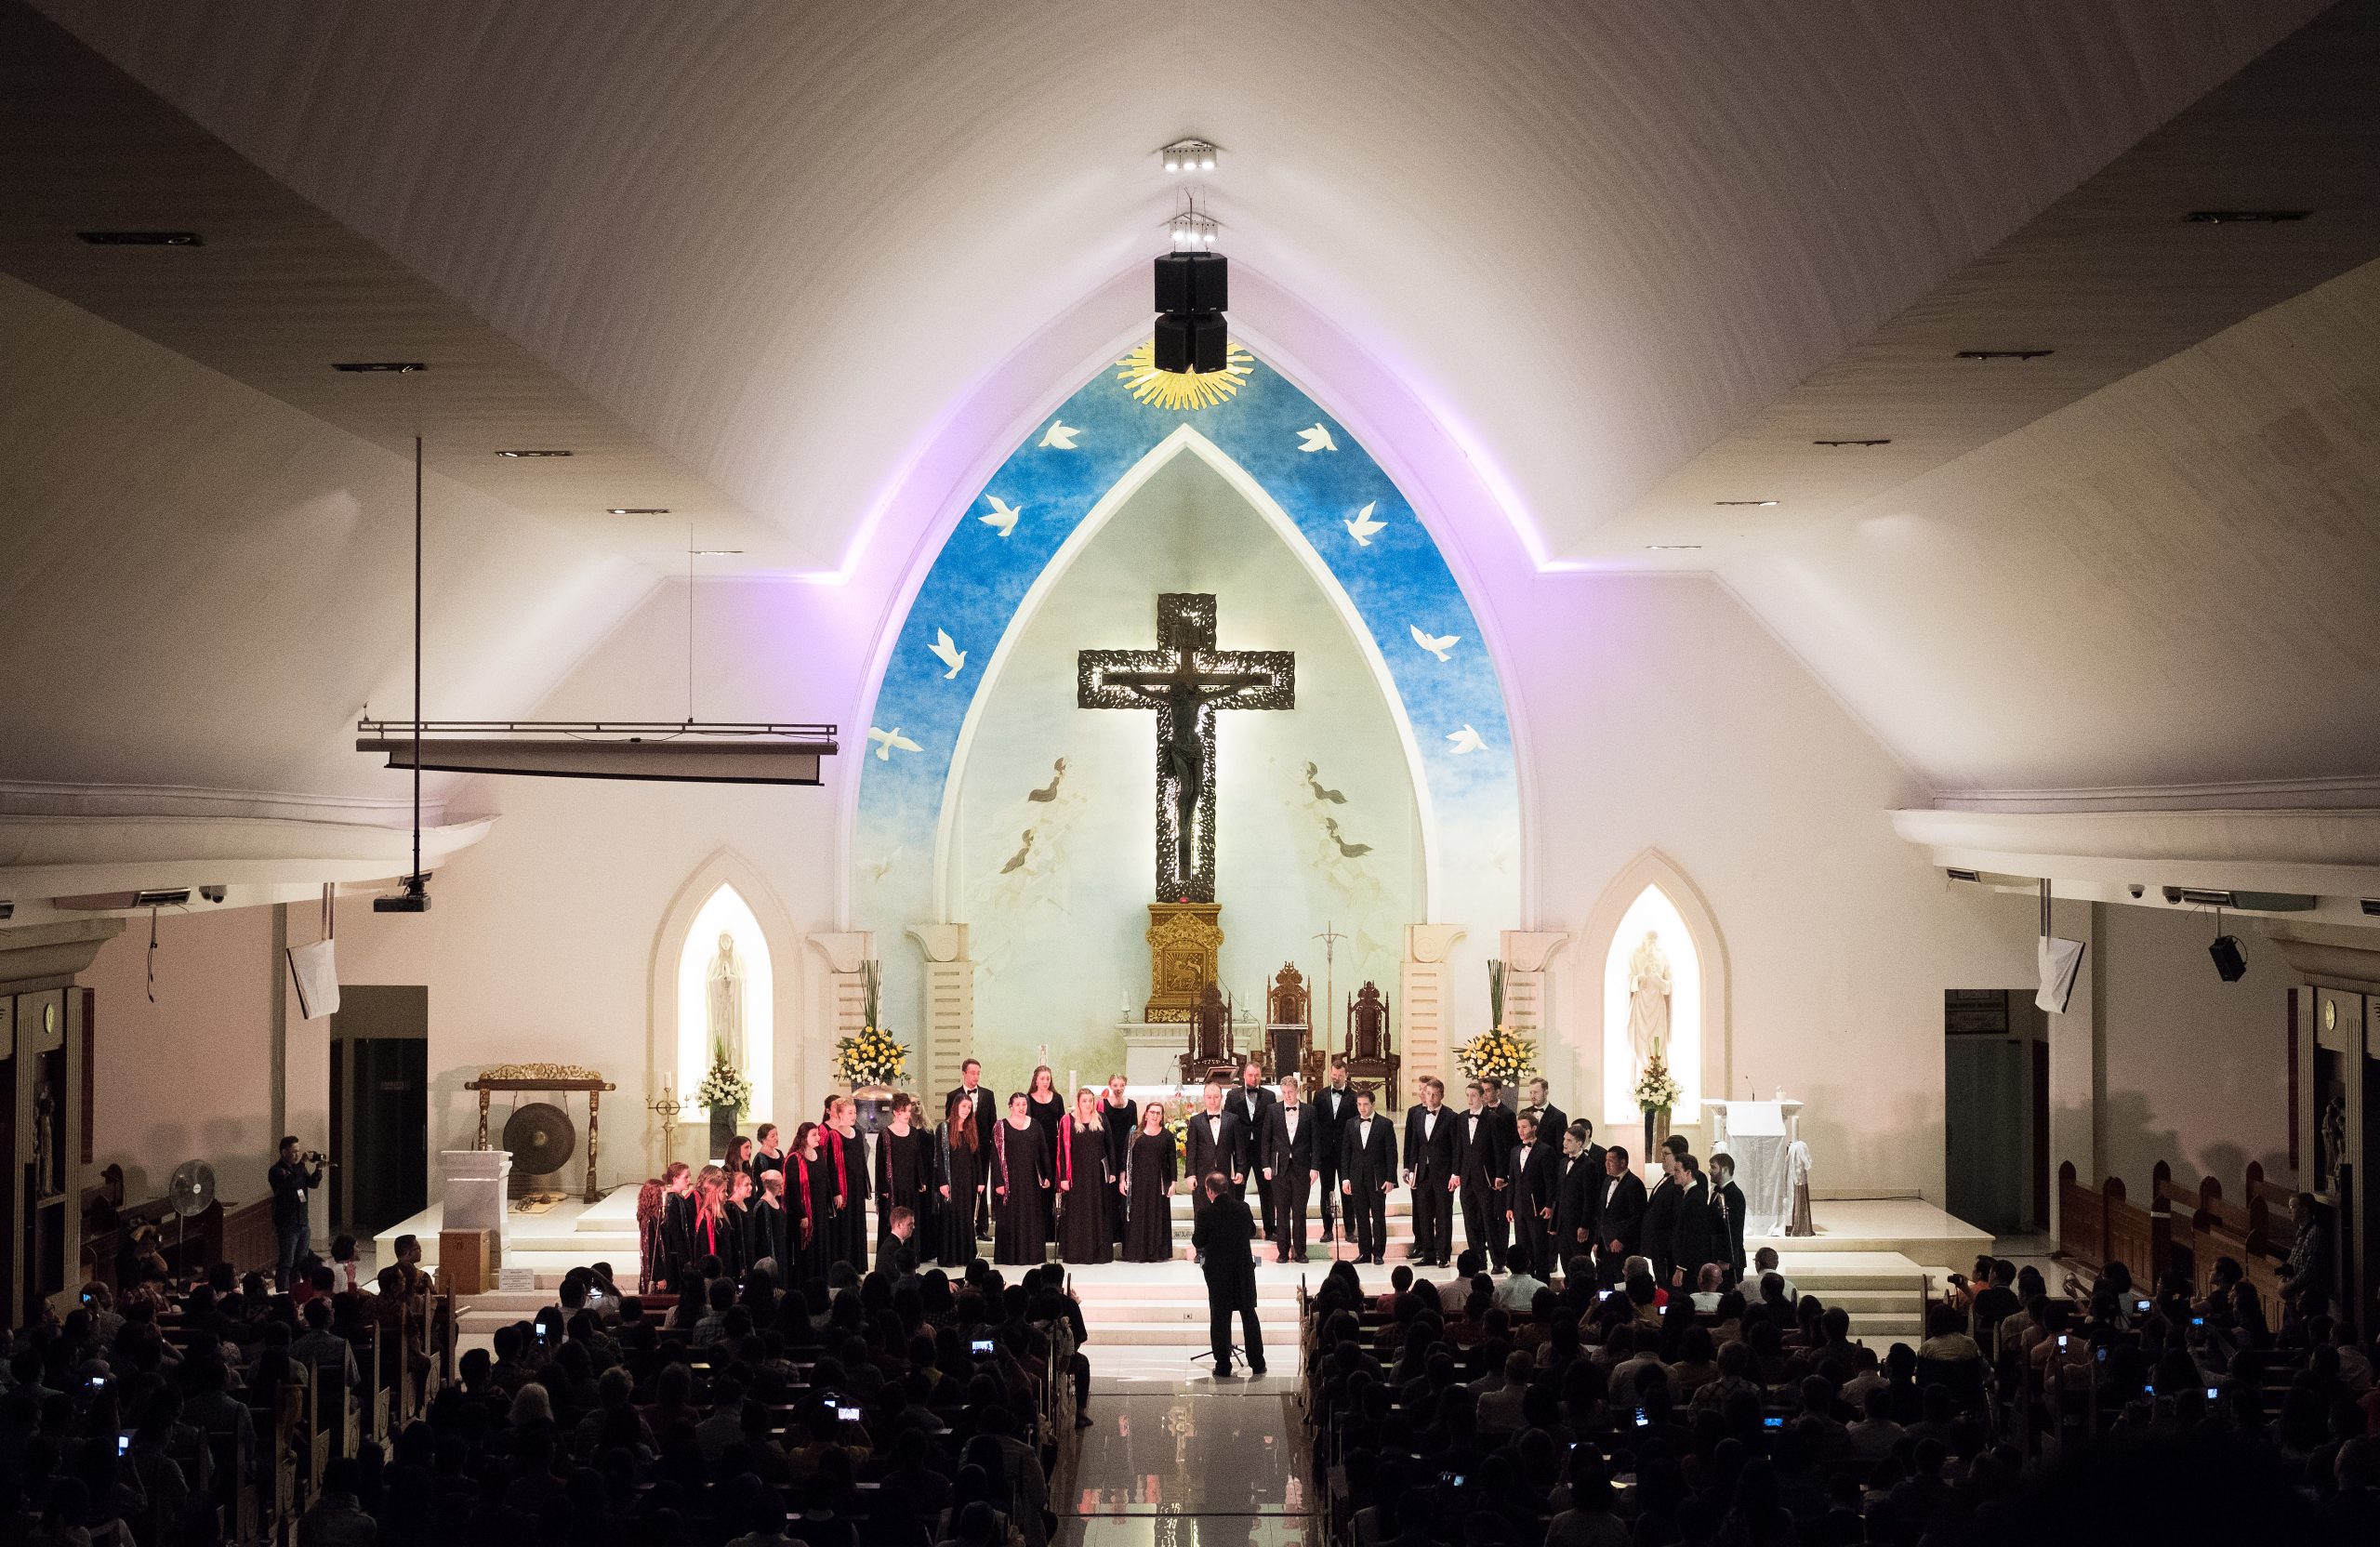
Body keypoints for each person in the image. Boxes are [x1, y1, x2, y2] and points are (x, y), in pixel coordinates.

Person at [1191, 1171, 1264, 1377]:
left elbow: (1198, 1241)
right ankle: (1258, 1362)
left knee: (1220, 1318)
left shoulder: (1205, 1213)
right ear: (1226, 1188)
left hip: (1218, 1274)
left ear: (1209, 1191)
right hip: (1242, 1271)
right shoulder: (1243, 1208)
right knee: (1249, 1315)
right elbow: (1251, 1231)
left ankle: (1223, 1365)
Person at [1402, 1076, 1458, 1267]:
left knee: (1443, 1216)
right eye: (1428, 1094)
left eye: (1435, 1095)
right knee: (1424, 1216)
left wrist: (1454, 1173)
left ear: (1442, 1095)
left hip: (1443, 1174)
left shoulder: (1451, 1116)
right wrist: (1409, 1168)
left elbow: (1456, 1148)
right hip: (1422, 1173)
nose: (1431, 1098)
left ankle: (1443, 1255)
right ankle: (1428, 1254)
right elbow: (1414, 1145)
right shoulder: (1417, 1115)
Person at [1259, 1074, 1316, 1262]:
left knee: (1299, 1211)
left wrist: (1315, 1167)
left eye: (1290, 1092)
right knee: (1281, 1212)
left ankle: (1300, 1252)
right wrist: (1265, 1165)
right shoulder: (1272, 1110)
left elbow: (1316, 1143)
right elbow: (1265, 1140)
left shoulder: (1309, 1111)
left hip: (1301, 1168)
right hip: (1278, 1168)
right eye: (1284, 1092)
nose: (1287, 1096)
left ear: (1297, 1091)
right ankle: (1282, 1252)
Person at [1456, 1079, 1512, 1270]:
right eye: (1468, 1095)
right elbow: (1459, 1149)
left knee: (1489, 1221)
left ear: (1482, 1097)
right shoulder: (1462, 1118)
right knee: (1470, 1221)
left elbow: (1499, 1149)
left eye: (1473, 1095)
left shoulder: (1492, 1119)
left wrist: (1500, 1174)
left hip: (1486, 1178)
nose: (1470, 1099)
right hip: (1467, 1177)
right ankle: (1478, 1260)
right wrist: (1456, 1173)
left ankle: (1498, 1261)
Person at [991, 1091, 1050, 1265]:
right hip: (1009, 1180)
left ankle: (1031, 1255)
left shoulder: (1036, 1125)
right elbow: (995, 1157)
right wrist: (998, 1182)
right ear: (1011, 1106)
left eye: (1024, 1104)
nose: (1021, 1108)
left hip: (1030, 1179)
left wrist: (1047, 1175)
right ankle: (1009, 1256)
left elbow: (1043, 1151)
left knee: (1030, 1216)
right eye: (1018, 1104)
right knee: (1010, 1216)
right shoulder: (1000, 1126)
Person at [1340, 1089, 1397, 1263]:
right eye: (1359, 1104)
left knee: (1378, 1216)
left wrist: (1390, 1179)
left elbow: (1391, 1154)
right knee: (1361, 1216)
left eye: (1365, 1104)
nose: (1362, 1108)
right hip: (1357, 1177)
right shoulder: (1351, 1124)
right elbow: (1346, 1153)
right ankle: (1364, 1252)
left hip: (1377, 1178)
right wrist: (1345, 1178)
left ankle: (1378, 1253)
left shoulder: (1385, 1124)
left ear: (1373, 1104)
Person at [1059, 1088, 1115, 1265]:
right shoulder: (1068, 1121)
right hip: (1076, 1174)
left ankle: (1098, 1253)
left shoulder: (1102, 1118)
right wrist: (1063, 1177)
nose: (1088, 1104)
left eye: (1090, 1100)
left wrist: (1112, 1171)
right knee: (1077, 1213)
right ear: (1078, 1102)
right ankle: (1076, 1253)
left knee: (1097, 1210)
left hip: (1097, 1174)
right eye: (1084, 1101)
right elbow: (1061, 1149)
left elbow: (1110, 1146)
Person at [875, 1092, 930, 1264]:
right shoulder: (885, 1134)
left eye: (908, 1110)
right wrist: (882, 1188)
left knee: (910, 1222)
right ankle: (891, 1259)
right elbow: (880, 1164)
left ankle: (910, 1259)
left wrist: (921, 1180)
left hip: (909, 1187)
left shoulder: (913, 1133)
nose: (907, 1114)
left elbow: (917, 1159)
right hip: (892, 1189)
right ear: (896, 1113)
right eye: (904, 1111)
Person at [945, 1058, 998, 1239]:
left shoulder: (988, 1095)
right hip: (961, 1150)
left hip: (982, 1149)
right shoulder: (953, 1096)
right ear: (964, 1074)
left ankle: (981, 1226)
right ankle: (962, 1225)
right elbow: (949, 1123)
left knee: (981, 1186)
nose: (976, 1076)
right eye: (972, 1073)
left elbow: (993, 1124)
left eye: (978, 1073)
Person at [1223, 1062, 1277, 1233]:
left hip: (1263, 1149)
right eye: (1250, 1075)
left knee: (1267, 1190)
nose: (1253, 1079)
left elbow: (1272, 1125)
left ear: (1260, 1075)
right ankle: (1239, 1227)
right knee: (1237, 1190)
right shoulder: (1233, 1095)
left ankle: (1270, 1229)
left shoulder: (1269, 1096)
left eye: (1256, 1075)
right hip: (1241, 1149)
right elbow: (1227, 1122)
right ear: (1244, 1076)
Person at [1122, 1101, 1178, 1262]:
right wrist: (1123, 1179)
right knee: (1139, 1216)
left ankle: (1157, 1253)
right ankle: (1138, 1252)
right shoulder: (1135, 1134)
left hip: (1159, 1183)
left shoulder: (1167, 1136)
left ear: (1162, 1116)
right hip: (1138, 1183)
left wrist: (1173, 1183)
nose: (1155, 1115)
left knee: (1158, 1215)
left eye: (1158, 1113)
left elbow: (1172, 1161)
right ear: (1145, 1114)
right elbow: (1125, 1157)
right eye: (1152, 1112)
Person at [1506, 1113, 1558, 1277]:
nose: (1520, 1130)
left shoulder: (1545, 1150)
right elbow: (1513, 1181)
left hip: (1538, 1208)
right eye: (1519, 1127)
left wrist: (1549, 1205)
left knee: (1539, 1248)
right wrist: (1509, 1206)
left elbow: (1550, 1181)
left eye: (1524, 1127)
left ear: (1534, 1128)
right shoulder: (1515, 1151)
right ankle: (1526, 1279)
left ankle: (1542, 1282)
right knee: (1523, 1248)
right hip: (1519, 1207)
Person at [270, 1135, 324, 1289]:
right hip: (287, 1223)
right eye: (293, 1152)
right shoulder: (276, 1171)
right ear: (284, 1152)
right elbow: (290, 1185)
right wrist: (301, 1164)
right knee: (287, 1262)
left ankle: (296, 1292)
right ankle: (282, 1293)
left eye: (298, 1152)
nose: (297, 1155)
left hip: (303, 1221)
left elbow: (312, 1184)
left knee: (301, 1262)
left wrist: (318, 1168)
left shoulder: (298, 1169)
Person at [1312, 1057, 1357, 1243]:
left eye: (1339, 1075)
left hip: (1346, 1153)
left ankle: (1349, 1230)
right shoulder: (1320, 1096)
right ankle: (1327, 1229)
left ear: (1346, 1075)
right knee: (1326, 1191)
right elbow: (1315, 1126)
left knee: (1348, 1191)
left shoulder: (1354, 1097)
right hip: (1325, 1153)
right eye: (1334, 1074)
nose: (1336, 1078)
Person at [938, 1081, 985, 1263]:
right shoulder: (944, 1128)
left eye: (969, 1107)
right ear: (956, 1106)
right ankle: (950, 1256)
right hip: (951, 1179)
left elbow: (977, 1157)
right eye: (964, 1106)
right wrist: (943, 1182)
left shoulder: (971, 1129)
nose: (966, 1110)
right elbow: (939, 1159)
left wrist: (980, 1180)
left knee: (966, 1217)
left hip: (969, 1180)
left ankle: (965, 1256)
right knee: (951, 1217)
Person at [1184, 1081, 1244, 1212]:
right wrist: (1190, 1174)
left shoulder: (1233, 1119)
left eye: (1216, 1097)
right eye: (1209, 1097)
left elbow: (1239, 1148)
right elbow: (1191, 1150)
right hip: (1202, 1176)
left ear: (1221, 1097)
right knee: (1202, 1213)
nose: (1212, 1100)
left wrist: (1240, 1170)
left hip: (1226, 1175)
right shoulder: (1195, 1121)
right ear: (1204, 1098)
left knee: (1226, 1213)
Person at [823, 1096, 869, 1267]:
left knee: (857, 1223)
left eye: (855, 1112)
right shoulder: (833, 1135)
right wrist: (836, 1191)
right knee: (845, 1225)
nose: (854, 1116)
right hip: (843, 1188)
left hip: (856, 1187)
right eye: (850, 1112)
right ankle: (844, 1263)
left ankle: (858, 1263)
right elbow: (831, 1167)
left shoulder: (856, 1133)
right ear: (840, 1114)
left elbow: (860, 1162)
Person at [1554, 1120, 1602, 1271]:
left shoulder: (1589, 1165)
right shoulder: (1562, 1163)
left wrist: (1585, 1225)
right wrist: (1555, 1222)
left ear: (1580, 1143)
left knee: (1580, 1263)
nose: (1564, 1143)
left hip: (1579, 1225)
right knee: (1565, 1262)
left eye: (1569, 1140)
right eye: (1564, 1139)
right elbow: (1559, 1195)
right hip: (1563, 1225)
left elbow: (1590, 1199)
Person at [1097, 1074, 1138, 1246]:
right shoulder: (1103, 1104)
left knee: (1124, 1191)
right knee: (1109, 1192)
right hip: (1108, 1149)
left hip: (1125, 1149)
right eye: (1115, 1084)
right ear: (1109, 1085)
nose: (1118, 1088)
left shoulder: (1132, 1105)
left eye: (1121, 1085)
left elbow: (1134, 1128)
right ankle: (1109, 1232)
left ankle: (1123, 1233)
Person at [1598, 1144, 1646, 1284]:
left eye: (1611, 1160)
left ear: (1623, 1162)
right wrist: (1597, 1241)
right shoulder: (1607, 1181)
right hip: (1605, 1243)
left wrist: (1622, 1239)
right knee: (1606, 1280)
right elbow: (1601, 1213)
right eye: (1606, 1160)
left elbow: (1637, 1217)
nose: (1606, 1164)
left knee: (1622, 1280)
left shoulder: (1634, 1184)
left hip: (1623, 1245)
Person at [1667, 1153, 1714, 1289]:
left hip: (1691, 1266)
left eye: (1677, 1170)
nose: (1674, 1173)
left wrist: (1681, 1268)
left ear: (1688, 1173)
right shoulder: (1689, 1195)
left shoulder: (1694, 1199)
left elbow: (1692, 1236)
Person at [1710, 1151, 1748, 1278]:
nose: (1710, 1171)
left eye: (1713, 1167)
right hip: (1716, 1255)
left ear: (1725, 1170)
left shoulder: (1735, 1194)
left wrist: (1727, 1259)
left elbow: (1735, 1229)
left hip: (1728, 1261)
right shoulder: (1716, 1193)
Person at [1517, 1078, 1567, 1151]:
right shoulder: (1524, 1113)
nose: (1532, 1096)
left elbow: (1561, 1148)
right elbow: (1518, 1141)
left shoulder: (1559, 1116)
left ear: (1546, 1092)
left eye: (1536, 1092)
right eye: (1531, 1092)